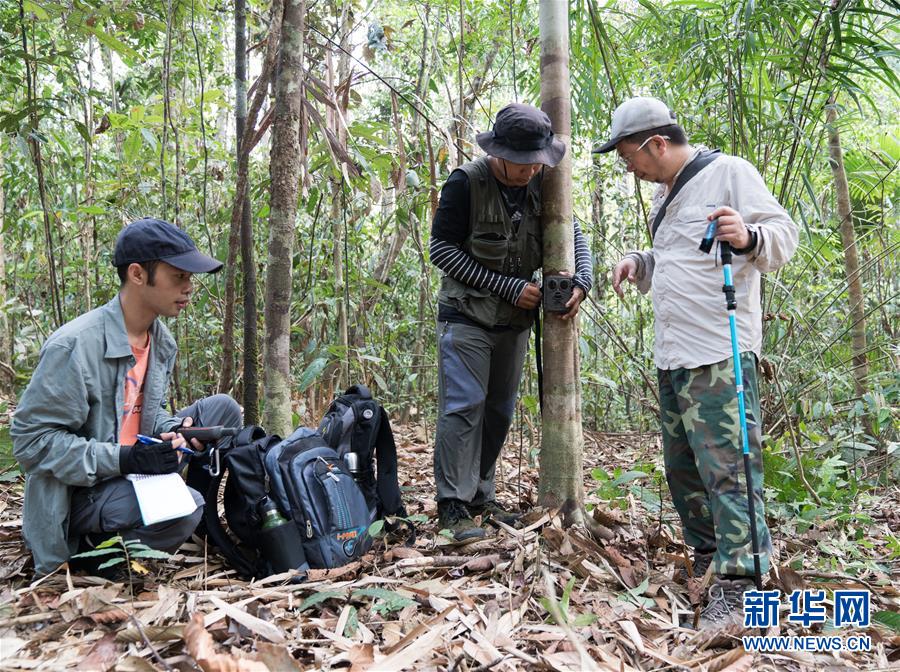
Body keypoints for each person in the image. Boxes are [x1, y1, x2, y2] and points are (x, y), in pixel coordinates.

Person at [600, 97, 798, 628]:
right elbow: (682, 259)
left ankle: (744, 586)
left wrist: (750, 235)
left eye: (629, 157)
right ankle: (712, 564)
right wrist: (640, 263)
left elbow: (783, 235)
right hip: (674, 356)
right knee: (684, 470)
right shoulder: (668, 194)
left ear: (657, 144)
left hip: (719, 352)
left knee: (731, 470)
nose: (629, 168)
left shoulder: (730, 172)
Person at [12, 218, 243, 577]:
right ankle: (90, 554)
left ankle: (178, 517)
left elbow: (140, 413)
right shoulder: (74, 347)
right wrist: (126, 458)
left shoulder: (160, 341)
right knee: (186, 507)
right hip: (81, 491)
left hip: (135, 467)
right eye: (178, 276)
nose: (189, 288)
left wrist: (174, 430)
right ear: (138, 274)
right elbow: (33, 444)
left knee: (223, 411)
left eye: (190, 278)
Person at [430, 103, 593, 541]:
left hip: (515, 323)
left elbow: (574, 235)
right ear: (497, 152)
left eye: (536, 163)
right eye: (520, 164)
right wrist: (505, 286)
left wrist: (582, 281)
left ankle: (483, 496)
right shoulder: (466, 183)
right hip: (466, 317)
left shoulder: (545, 183)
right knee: (464, 406)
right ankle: (453, 507)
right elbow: (441, 251)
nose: (528, 172)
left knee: (499, 411)